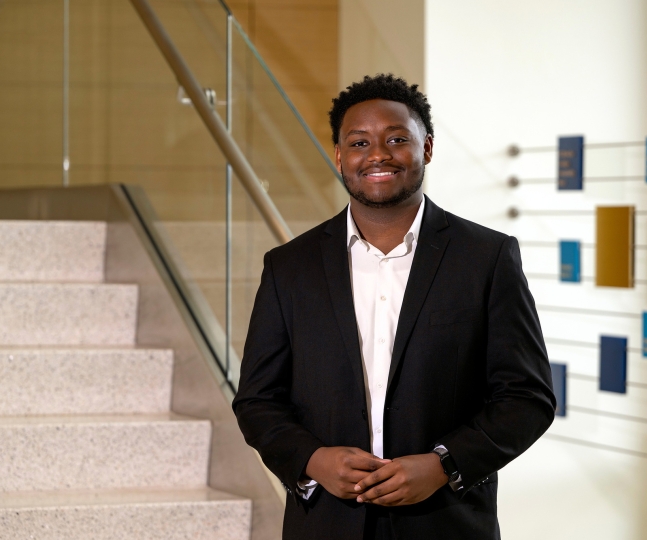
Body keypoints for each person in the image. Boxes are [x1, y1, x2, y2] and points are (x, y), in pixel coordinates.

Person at [232, 74, 555, 540]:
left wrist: (443, 464)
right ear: (340, 157)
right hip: (326, 524)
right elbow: (257, 401)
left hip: (446, 523)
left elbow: (527, 398)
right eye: (359, 142)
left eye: (397, 139)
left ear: (426, 148)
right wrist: (314, 460)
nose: (378, 154)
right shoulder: (289, 267)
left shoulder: (486, 258)